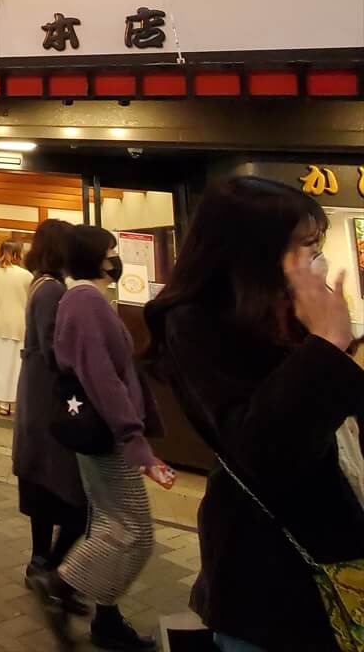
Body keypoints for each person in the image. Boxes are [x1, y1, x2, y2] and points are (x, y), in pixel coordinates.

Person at [144, 177, 364, 652]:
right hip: (271, 580)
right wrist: (327, 342)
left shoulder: (291, 314)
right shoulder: (196, 323)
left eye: (317, 244)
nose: (317, 260)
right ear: (254, 252)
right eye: (306, 246)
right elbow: (263, 449)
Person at [31, 225, 169, 651]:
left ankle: (105, 618)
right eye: (111, 251)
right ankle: (60, 584)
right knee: (133, 532)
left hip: (104, 432)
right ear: (95, 256)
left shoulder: (83, 298)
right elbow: (102, 376)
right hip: (107, 435)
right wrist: (134, 439)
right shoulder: (85, 301)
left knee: (115, 526)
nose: (116, 257)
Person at [13, 219, 88, 589]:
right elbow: (55, 349)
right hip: (48, 405)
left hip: (36, 401)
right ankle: (48, 566)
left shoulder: (40, 285)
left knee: (42, 484)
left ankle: (43, 561)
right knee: (62, 488)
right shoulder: (52, 291)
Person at [0, 237, 33, 416]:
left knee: (1, 365)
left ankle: (3, 403)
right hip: (20, 326)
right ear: (17, 254)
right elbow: (30, 304)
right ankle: (15, 401)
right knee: (17, 367)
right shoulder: (27, 276)